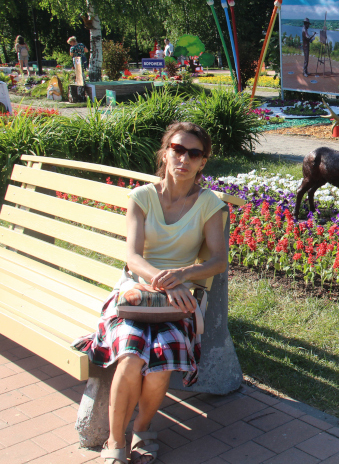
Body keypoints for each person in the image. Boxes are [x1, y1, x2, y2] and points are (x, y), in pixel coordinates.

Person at [73, 122, 227, 464]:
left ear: (203, 162)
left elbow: (218, 260)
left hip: (177, 298)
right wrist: (161, 280)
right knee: (130, 357)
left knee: (160, 363)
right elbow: (132, 257)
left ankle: (142, 428)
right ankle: (115, 441)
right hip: (135, 290)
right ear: (165, 152)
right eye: (177, 149)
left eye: (194, 153)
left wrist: (182, 275)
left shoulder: (209, 204)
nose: (184, 158)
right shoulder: (142, 197)